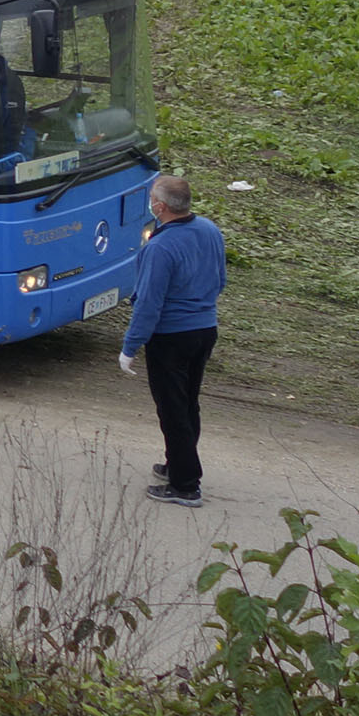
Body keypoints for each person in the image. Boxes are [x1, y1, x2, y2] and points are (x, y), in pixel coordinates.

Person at [120, 174, 226, 506]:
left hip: (171, 337)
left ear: (160, 207)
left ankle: (185, 485)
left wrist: (130, 346)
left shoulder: (160, 247)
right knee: (187, 401)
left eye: (152, 197)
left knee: (172, 409)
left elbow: (148, 303)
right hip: (204, 330)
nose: (149, 202)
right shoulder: (209, 230)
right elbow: (220, 280)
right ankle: (176, 463)